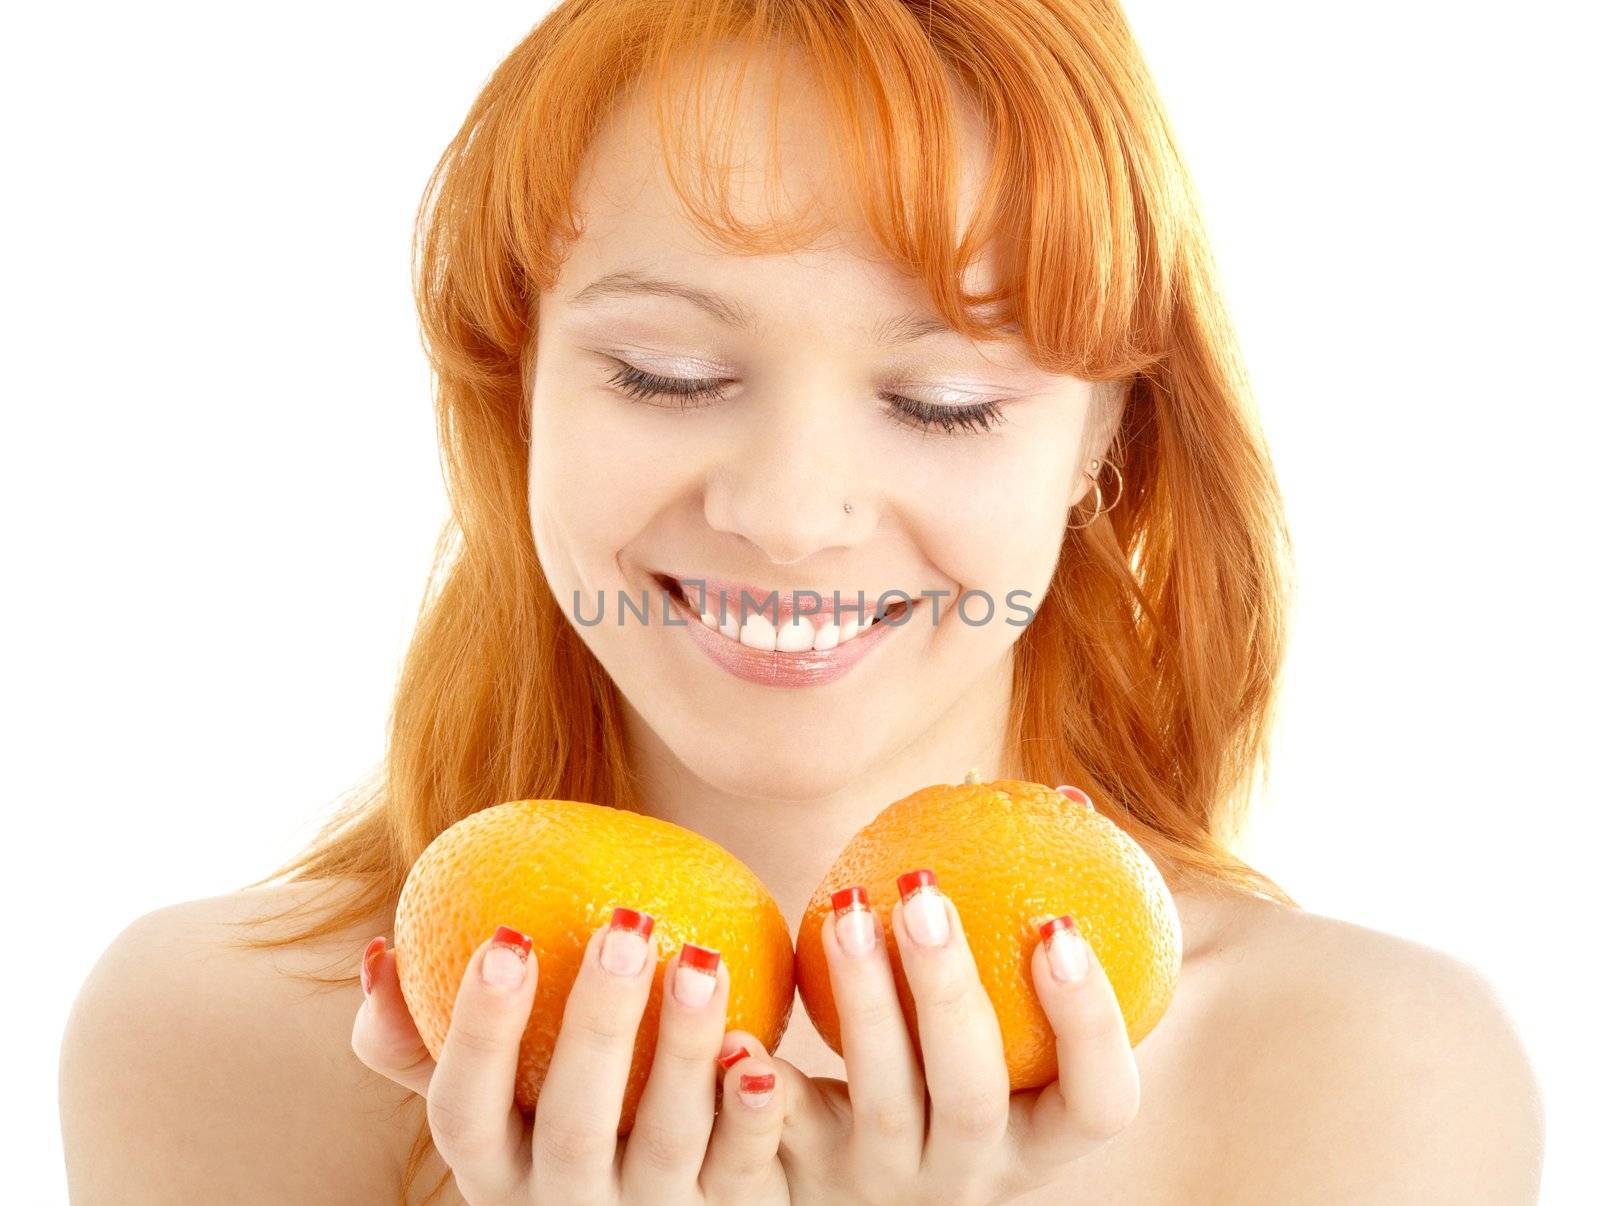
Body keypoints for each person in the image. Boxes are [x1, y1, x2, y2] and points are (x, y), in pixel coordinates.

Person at [60, 2, 1544, 1202]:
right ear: (516, 392)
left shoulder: (1367, 1077)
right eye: (667, 375)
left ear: (1109, 441)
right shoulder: (214, 1041)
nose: (787, 512)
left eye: (945, 399)